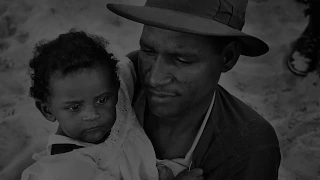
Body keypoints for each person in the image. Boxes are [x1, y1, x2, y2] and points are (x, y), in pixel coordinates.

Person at [105, 0, 281, 179]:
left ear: (228, 57)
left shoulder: (249, 150)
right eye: (149, 51)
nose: (154, 78)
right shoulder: (120, 84)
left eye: (182, 60)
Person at [20, 29, 203, 180]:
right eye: (75, 107)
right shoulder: (68, 169)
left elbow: (133, 64)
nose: (92, 115)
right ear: (46, 110)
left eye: (101, 100)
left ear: (115, 89)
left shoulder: (114, 92)